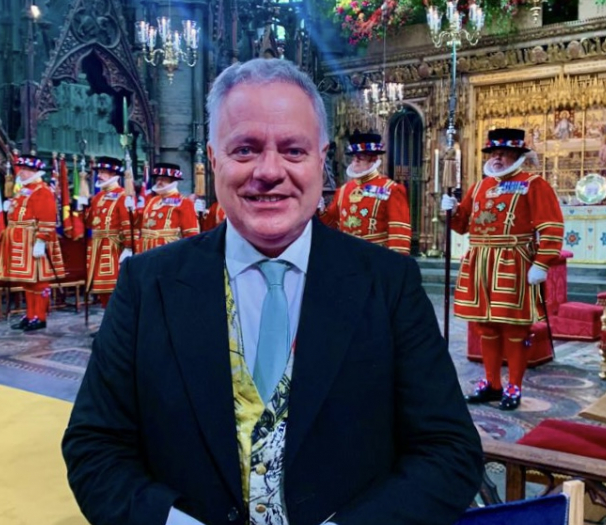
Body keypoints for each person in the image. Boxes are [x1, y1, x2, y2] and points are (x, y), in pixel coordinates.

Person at [63, 57, 482, 525]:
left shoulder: (388, 283)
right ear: (213, 157)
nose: (269, 171)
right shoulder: (147, 285)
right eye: (244, 149)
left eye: (293, 151)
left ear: (323, 160)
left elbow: (450, 451)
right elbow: (95, 446)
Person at [441, 128, 564, 411]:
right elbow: (462, 226)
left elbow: (551, 226)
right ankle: (492, 382)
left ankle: (514, 386)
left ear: (516, 155)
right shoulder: (480, 186)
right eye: (493, 153)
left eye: (503, 153)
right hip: (480, 261)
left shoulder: (533, 184)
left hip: (514, 261)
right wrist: (452, 211)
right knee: (486, 326)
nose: (497, 158)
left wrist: (542, 262)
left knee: (514, 327)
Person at [0, 156, 65, 332]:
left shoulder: (43, 191)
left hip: (33, 240)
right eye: (20, 169)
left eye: (25, 169)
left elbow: (48, 218)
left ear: (35, 171)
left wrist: (41, 240)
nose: (21, 172)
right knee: (27, 282)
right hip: (20, 239)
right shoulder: (24, 190)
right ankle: (30, 314)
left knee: (39, 281)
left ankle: (40, 317)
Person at [319, 130, 412, 255]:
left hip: (376, 257)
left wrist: (396, 264)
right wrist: (319, 209)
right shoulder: (343, 190)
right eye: (354, 156)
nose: (355, 160)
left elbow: (399, 233)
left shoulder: (391, 189)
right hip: (346, 256)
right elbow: (331, 223)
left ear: (373, 159)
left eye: (361, 156)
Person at [84, 156, 133, 308]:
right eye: (99, 171)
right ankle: (107, 324)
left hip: (113, 246)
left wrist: (129, 246)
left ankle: (116, 325)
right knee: (102, 289)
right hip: (97, 245)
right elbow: (89, 222)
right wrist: (82, 208)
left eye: (104, 172)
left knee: (114, 287)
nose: (99, 175)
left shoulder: (122, 195)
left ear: (113, 175)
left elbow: (127, 223)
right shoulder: (97, 197)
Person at [135, 162, 200, 252]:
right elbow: (138, 223)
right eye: (158, 179)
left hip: (168, 250)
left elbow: (191, 233)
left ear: (173, 181)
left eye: (164, 179)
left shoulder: (184, 202)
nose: (159, 182)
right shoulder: (152, 200)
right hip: (146, 250)